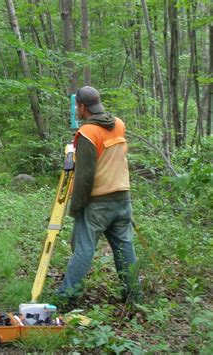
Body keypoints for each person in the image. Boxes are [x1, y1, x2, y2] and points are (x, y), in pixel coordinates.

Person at [54, 86, 141, 307]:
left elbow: (84, 176)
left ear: (82, 107)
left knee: (83, 248)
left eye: (77, 106)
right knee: (125, 247)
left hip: (98, 201)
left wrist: (76, 207)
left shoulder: (87, 133)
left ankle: (66, 297)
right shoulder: (119, 124)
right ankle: (133, 295)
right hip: (122, 198)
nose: (76, 109)